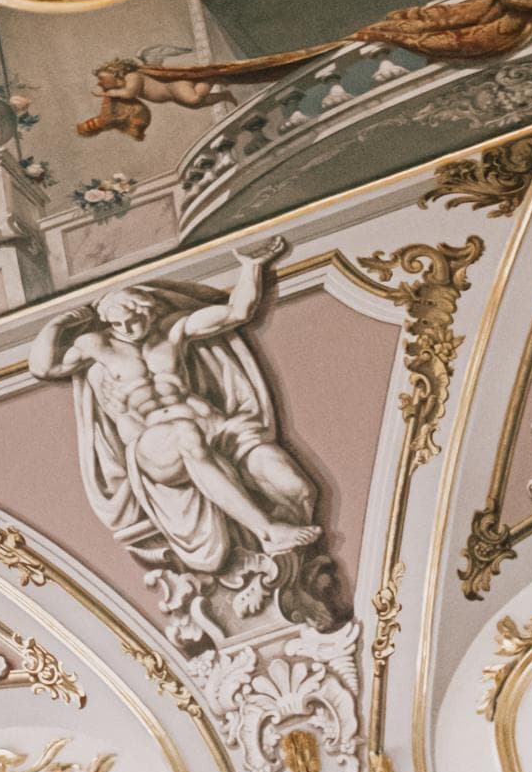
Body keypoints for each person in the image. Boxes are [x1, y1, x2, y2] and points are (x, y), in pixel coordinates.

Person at [27, 237, 324, 575]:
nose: (127, 329)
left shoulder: (173, 331)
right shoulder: (96, 345)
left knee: (296, 487)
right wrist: (58, 324)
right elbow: (43, 367)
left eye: (133, 320)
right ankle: (267, 531)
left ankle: (286, 567)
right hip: (156, 447)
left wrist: (251, 266)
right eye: (118, 324)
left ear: (148, 310)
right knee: (185, 435)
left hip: (216, 432)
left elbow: (238, 312)